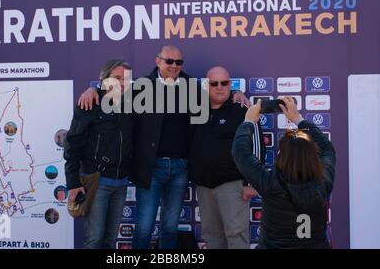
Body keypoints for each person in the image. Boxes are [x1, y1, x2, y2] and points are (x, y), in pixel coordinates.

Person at [78, 45, 251, 249]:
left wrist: (236, 93)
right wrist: (92, 90)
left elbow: (217, 94)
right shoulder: (141, 86)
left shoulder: (192, 86)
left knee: (170, 227)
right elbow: (113, 94)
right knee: (144, 228)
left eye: (179, 62)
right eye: (169, 61)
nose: (174, 66)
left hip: (180, 168)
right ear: (157, 61)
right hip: (151, 168)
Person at [232, 97, 336, 248]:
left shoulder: (269, 182)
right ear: (312, 156)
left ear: (282, 157)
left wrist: (249, 121)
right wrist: (297, 119)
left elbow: (240, 151)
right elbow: (326, 147)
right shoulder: (323, 181)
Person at [189, 66, 264, 249]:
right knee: (212, 237)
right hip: (204, 186)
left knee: (236, 235)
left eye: (224, 83)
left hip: (233, 185)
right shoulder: (196, 109)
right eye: (214, 83)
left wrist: (252, 182)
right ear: (207, 85)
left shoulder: (242, 110)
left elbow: (257, 145)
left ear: (230, 84)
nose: (219, 87)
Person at [64, 59, 133, 249]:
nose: (121, 83)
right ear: (104, 79)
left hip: (121, 183)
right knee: (94, 240)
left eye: (126, 79)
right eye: (117, 78)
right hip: (97, 181)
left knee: (111, 241)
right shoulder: (90, 103)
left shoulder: (132, 104)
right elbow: (72, 143)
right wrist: (73, 182)